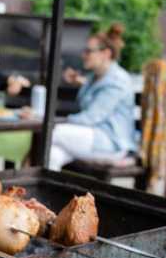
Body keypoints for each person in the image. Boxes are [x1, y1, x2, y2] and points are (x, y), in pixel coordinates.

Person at [49, 23, 135, 171]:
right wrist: (79, 81)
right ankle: (37, 192)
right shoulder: (94, 77)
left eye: (89, 51)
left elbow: (91, 118)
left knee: (51, 132)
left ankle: (17, 188)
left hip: (110, 142)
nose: (83, 55)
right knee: (51, 154)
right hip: (91, 138)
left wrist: (55, 120)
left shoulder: (117, 81)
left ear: (106, 54)